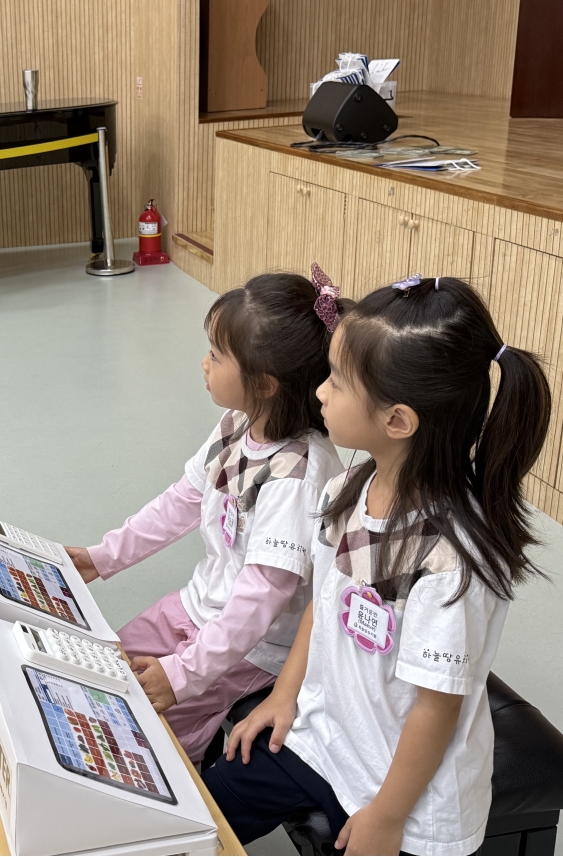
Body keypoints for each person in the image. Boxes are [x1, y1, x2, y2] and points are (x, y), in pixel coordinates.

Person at [203, 277, 552, 856]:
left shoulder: (450, 561)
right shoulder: (348, 486)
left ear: (397, 421)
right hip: (326, 737)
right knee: (204, 813)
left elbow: (436, 710)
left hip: (406, 796)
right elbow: (325, 601)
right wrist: (285, 694)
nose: (318, 392)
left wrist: (387, 819)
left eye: (337, 381)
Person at [66, 267, 347, 762]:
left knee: (150, 734)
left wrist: (183, 675)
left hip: (250, 649)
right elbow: (182, 500)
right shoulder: (237, 424)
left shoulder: (297, 474)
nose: (204, 363)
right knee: (103, 672)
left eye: (216, 356)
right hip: (195, 608)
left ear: (263, 383)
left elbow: (257, 605)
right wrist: (101, 558)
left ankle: (184, 798)